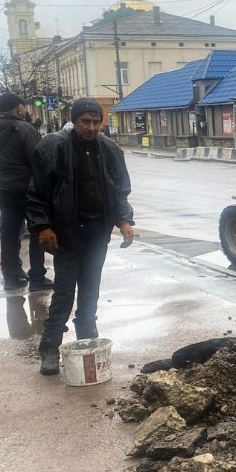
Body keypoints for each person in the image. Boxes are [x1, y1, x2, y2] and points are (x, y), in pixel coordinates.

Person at [27, 98, 135, 376]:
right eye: (85, 122)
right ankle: (50, 348)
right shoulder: (54, 147)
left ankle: (88, 339)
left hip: (98, 231)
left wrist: (124, 221)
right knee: (64, 291)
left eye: (96, 122)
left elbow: (120, 191)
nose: (91, 127)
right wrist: (43, 227)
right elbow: (37, 193)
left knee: (90, 287)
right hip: (67, 233)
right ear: (73, 121)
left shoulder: (109, 149)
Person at [0, 92, 50, 291]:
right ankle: (37, 276)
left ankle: (11, 275)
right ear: (18, 108)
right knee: (36, 229)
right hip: (25, 188)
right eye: (22, 107)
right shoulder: (25, 129)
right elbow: (39, 160)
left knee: (9, 230)